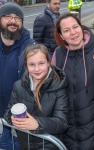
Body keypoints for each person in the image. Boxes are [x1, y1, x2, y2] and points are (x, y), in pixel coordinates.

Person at [52, 12, 94, 150]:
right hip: (67, 124)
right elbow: (53, 86)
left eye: (75, 27)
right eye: (66, 30)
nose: (73, 33)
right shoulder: (58, 54)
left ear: (81, 27)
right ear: (61, 35)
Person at [4, 44, 69, 150]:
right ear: (26, 65)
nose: (37, 69)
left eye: (41, 63)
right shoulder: (18, 86)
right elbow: (8, 112)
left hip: (49, 146)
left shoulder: (58, 86)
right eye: (32, 65)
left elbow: (62, 123)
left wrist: (37, 124)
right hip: (26, 145)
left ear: (48, 62)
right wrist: (12, 118)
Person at [0, 2, 35, 150]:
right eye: (8, 16)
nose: (13, 21)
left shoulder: (31, 46)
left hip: (20, 118)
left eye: (17, 18)